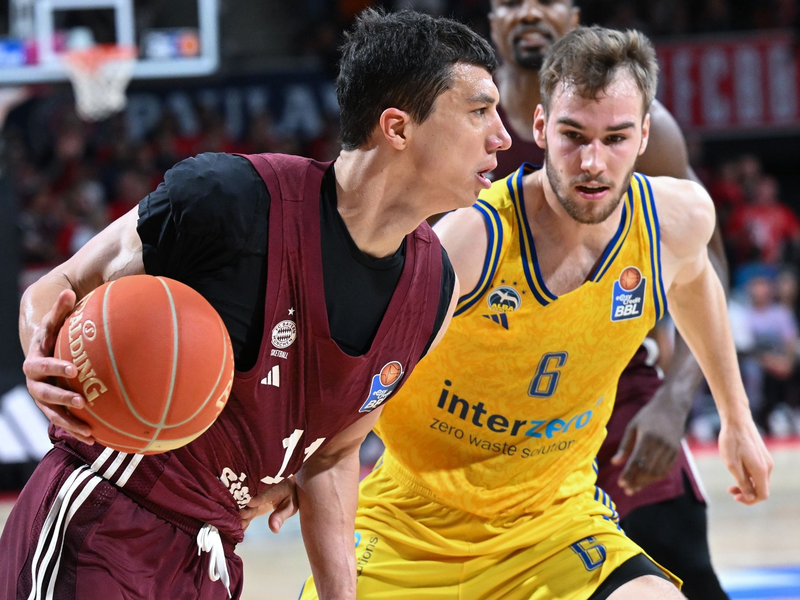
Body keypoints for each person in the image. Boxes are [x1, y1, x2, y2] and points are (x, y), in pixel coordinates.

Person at [1, 9, 511, 600]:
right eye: (479, 111)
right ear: (397, 127)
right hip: (104, 521)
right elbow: (59, 283)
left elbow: (336, 455)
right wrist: (42, 349)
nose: (500, 134)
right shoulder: (230, 201)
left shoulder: (434, 290)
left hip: (214, 556)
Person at [298, 26, 772, 600]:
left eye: (616, 138)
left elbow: (697, 284)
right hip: (411, 525)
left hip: (553, 523)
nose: (593, 162)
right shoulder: (470, 243)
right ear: (542, 126)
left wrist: (737, 418)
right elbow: (354, 388)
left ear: (644, 136)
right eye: (574, 135)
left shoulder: (676, 222)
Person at [488, 1, 731, 596]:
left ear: (573, 13)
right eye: (511, 1)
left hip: (621, 391)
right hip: (495, 405)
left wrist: (675, 400)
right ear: (492, 16)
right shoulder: (466, 119)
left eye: (545, 0)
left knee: (685, 575)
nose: (528, 13)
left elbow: (707, 264)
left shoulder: (646, 129)